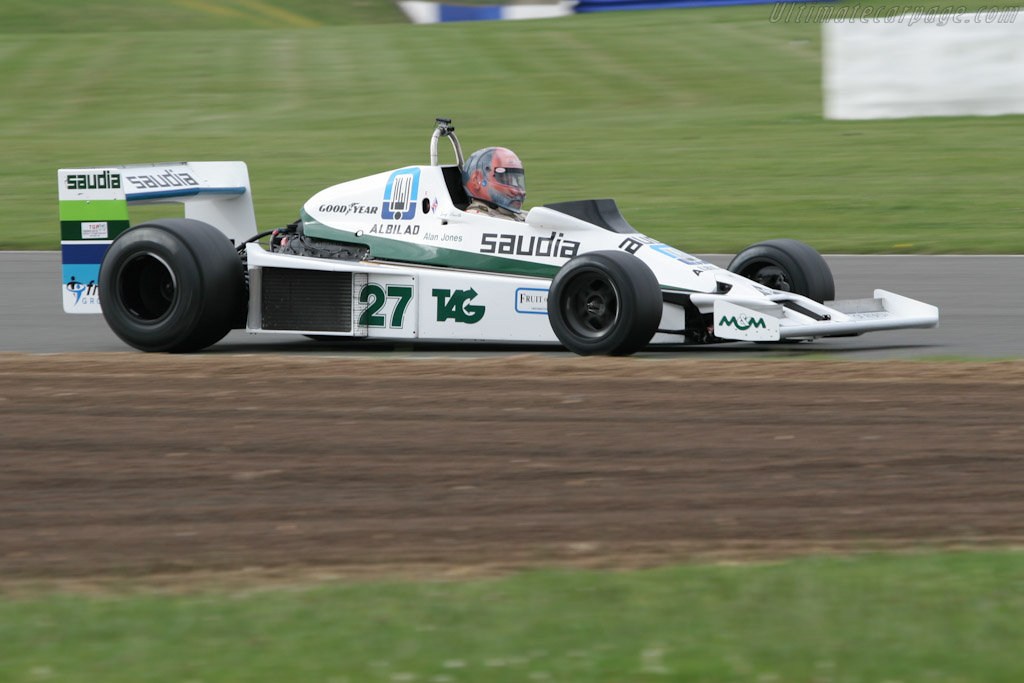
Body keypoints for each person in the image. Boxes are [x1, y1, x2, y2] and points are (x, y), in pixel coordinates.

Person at [462, 147, 526, 221]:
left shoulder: (517, 216)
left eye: (517, 180)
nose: (518, 191)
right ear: (477, 180)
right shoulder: (474, 219)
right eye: (505, 179)